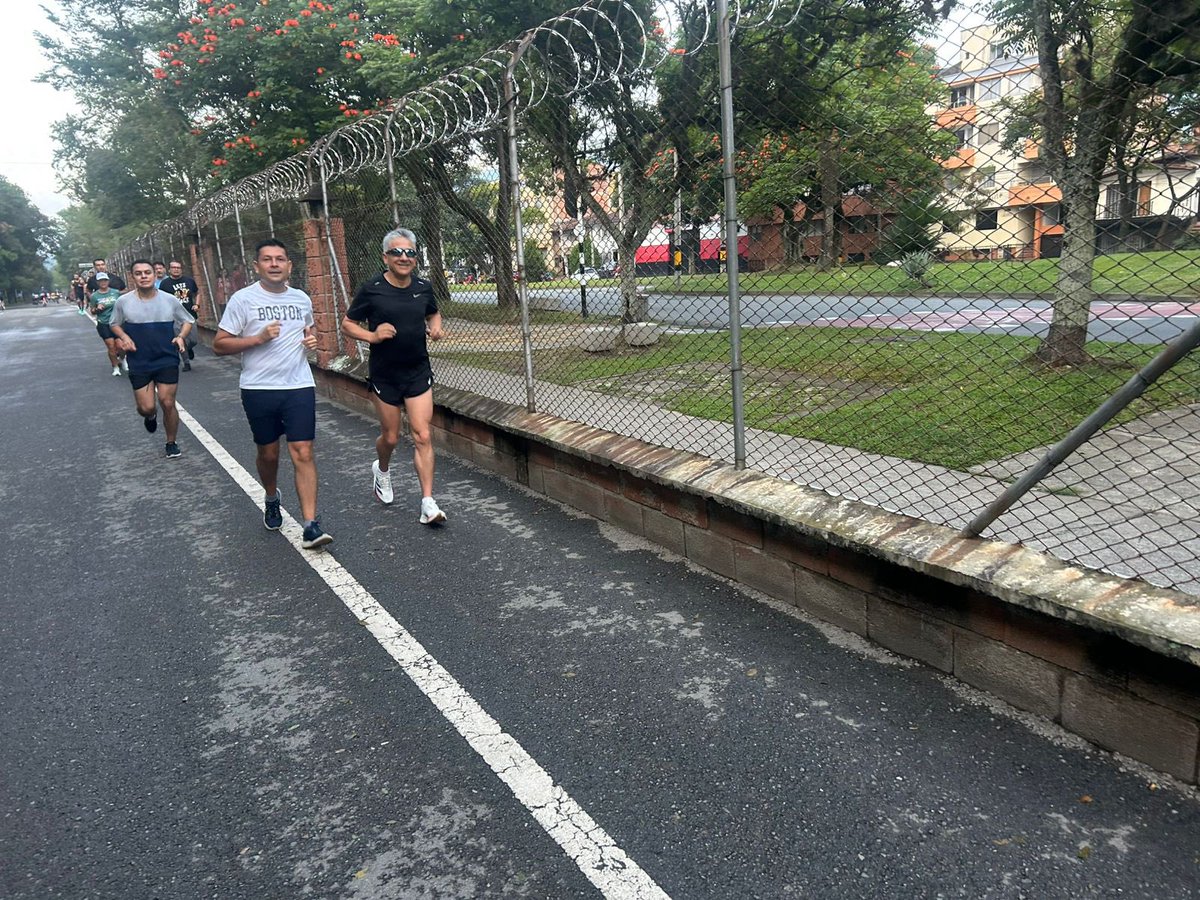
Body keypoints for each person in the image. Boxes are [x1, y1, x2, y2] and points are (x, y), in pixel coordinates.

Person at [212, 239, 332, 549]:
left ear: (290, 265)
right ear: (257, 266)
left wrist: (312, 341)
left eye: (280, 259)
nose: (274, 264)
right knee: (269, 453)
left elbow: (309, 332)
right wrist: (257, 338)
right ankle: (271, 496)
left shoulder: (301, 299)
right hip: (258, 389)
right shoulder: (243, 300)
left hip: (298, 386)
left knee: (303, 451)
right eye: (267, 259)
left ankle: (310, 524)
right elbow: (220, 344)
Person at [341, 227, 446, 525]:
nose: (404, 257)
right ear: (385, 256)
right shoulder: (372, 288)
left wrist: (435, 327)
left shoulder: (423, 287)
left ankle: (428, 502)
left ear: (416, 257)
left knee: (423, 434)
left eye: (410, 252)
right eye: (397, 252)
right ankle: (382, 470)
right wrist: (372, 336)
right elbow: (347, 325)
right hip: (385, 375)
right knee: (390, 436)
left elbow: (433, 313)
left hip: (417, 370)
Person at [108, 260, 195, 459]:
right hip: (139, 360)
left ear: (155, 275)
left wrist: (181, 336)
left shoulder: (169, 299)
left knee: (167, 401)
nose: (144, 276)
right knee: (146, 407)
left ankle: (171, 442)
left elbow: (188, 320)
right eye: (139, 273)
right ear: (133, 277)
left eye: (147, 272)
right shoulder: (124, 301)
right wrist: (124, 337)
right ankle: (151, 415)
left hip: (166, 357)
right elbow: (114, 324)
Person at [160, 259, 201, 371]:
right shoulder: (165, 284)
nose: (176, 269)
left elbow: (197, 293)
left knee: (193, 340)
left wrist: (197, 305)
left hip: (190, 314)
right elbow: (161, 299)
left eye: (178, 267)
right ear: (169, 270)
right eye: (174, 267)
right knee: (180, 339)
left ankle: (189, 348)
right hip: (175, 317)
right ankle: (186, 363)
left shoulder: (189, 281)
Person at [88, 272, 127, 376]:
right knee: (111, 346)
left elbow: (123, 305)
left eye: (105, 280)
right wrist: (97, 308)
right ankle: (115, 367)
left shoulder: (116, 293)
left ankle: (123, 359)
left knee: (121, 346)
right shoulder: (94, 296)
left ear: (108, 281)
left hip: (117, 322)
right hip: (104, 323)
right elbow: (92, 311)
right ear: (97, 283)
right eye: (101, 281)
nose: (103, 283)